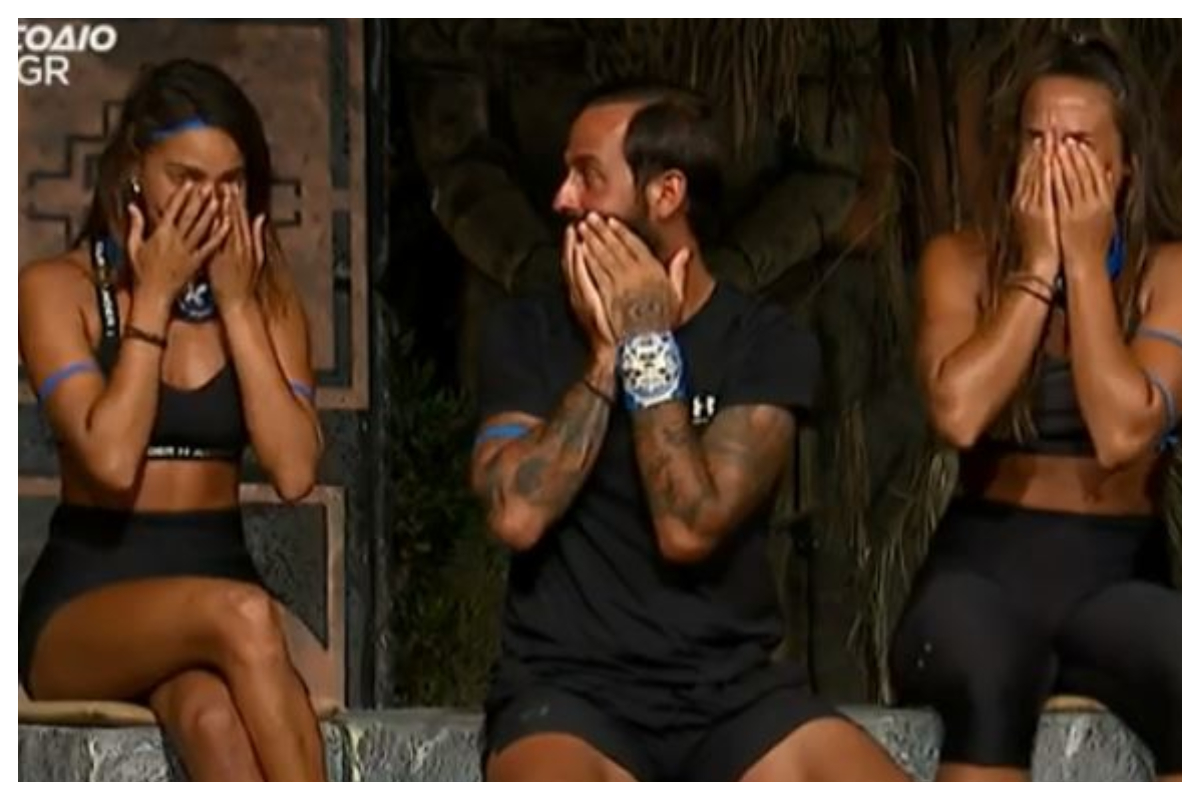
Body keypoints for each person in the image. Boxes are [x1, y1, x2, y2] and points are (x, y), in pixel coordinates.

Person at [469, 82, 908, 781]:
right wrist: (608, 357)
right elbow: (516, 515)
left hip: (731, 692)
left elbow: (690, 526)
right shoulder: (527, 331)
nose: (561, 199)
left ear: (665, 194)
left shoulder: (764, 342)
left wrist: (648, 346)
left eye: (587, 175)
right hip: (567, 693)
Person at [18, 59, 326, 781]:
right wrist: (153, 297)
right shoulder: (56, 289)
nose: (208, 204)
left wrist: (239, 307)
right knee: (244, 615)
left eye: (229, 184)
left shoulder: (268, 298)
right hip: (88, 600)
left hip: (217, 587)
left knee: (212, 719)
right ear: (135, 171)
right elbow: (111, 462)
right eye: (184, 179)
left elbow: (293, 473)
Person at [890, 34, 1180, 781]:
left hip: (1119, 570)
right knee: (989, 674)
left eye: (1078, 145)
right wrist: (1039, 265)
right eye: (1036, 140)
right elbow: (959, 415)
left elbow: (1123, 432)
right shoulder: (959, 263)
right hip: (983, 569)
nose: (1053, 163)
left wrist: (1085, 263)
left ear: (1124, 166)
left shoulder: (1171, 272)